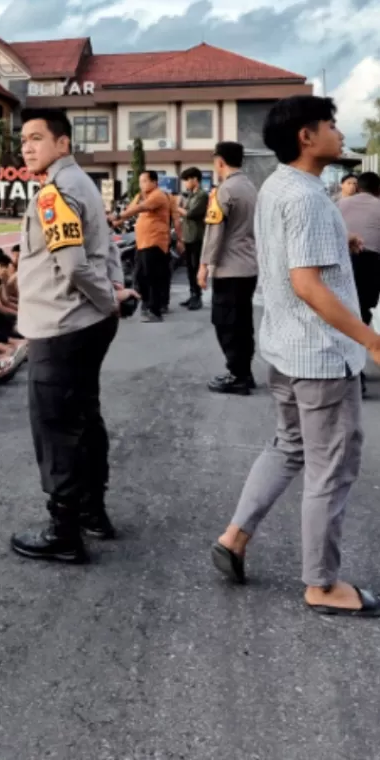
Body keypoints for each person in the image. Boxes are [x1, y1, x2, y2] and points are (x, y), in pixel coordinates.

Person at [211, 94, 380, 616]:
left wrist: (341, 240)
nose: (338, 130)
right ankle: (321, 584)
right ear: (306, 136)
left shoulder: (282, 186)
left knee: (288, 447)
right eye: (330, 123)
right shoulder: (306, 196)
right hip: (320, 357)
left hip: (285, 349)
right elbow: (306, 283)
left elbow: (291, 255)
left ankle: (234, 537)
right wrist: (371, 341)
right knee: (331, 467)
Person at [10, 107, 138, 563]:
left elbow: (75, 264)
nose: (27, 147)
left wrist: (108, 300)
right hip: (85, 323)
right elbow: (105, 253)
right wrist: (114, 296)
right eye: (23, 139)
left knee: (56, 429)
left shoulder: (54, 193)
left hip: (60, 324)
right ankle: (92, 511)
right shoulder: (83, 184)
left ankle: (64, 531)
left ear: (63, 143)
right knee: (84, 417)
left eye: (37, 138)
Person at [197, 142, 259, 395]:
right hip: (249, 265)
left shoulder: (224, 191)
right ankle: (244, 371)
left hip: (229, 268)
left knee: (227, 323)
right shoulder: (250, 187)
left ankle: (238, 375)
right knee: (242, 323)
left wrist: (203, 266)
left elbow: (214, 232)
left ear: (220, 161)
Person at [337, 171, 380, 395]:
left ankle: (351, 370)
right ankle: (355, 368)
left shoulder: (338, 205)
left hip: (342, 263)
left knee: (344, 316)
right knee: (362, 314)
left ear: (358, 187)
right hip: (372, 264)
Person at [110, 170, 171, 322]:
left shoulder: (158, 195)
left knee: (152, 278)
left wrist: (117, 216)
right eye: (140, 181)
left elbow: (138, 208)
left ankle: (155, 311)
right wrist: (110, 223)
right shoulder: (142, 197)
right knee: (140, 276)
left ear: (154, 182)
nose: (141, 184)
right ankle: (147, 305)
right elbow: (129, 212)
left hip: (155, 243)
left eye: (144, 181)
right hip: (143, 243)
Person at [177, 167, 209, 310]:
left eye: (187, 180)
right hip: (188, 236)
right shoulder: (191, 195)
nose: (185, 183)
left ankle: (197, 297)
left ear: (195, 179)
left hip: (196, 236)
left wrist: (177, 208)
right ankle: (192, 294)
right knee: (189, 268)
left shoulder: (202, 195)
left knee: (196, 267)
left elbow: (190, 213)